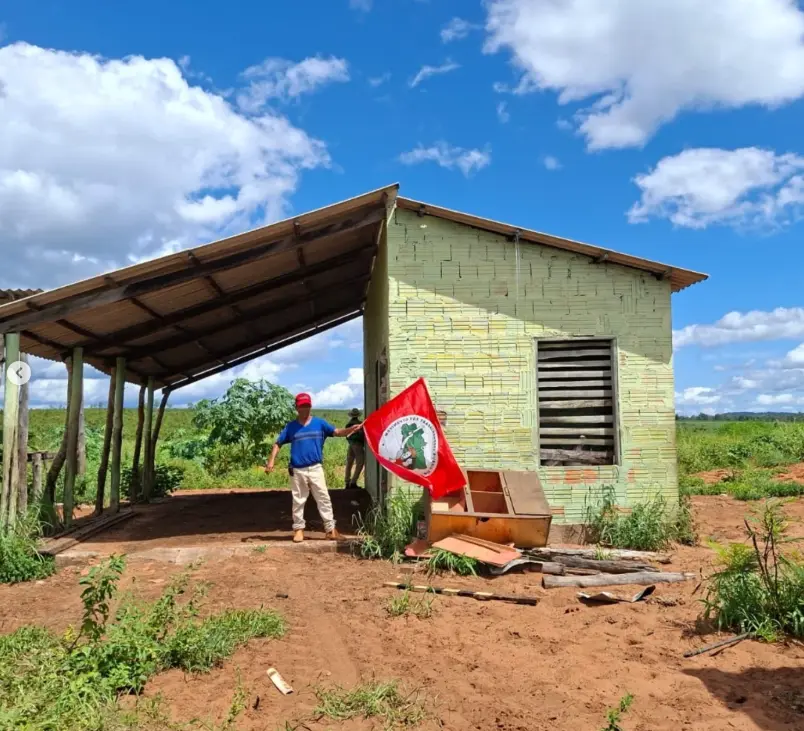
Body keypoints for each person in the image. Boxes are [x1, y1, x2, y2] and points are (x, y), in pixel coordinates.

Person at [265, 392, 362, 543]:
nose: (305, 409)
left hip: (316, 468)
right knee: (298, 500)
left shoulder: (319, 423)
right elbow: (278, 443)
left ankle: (330, 530)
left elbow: (336, 432)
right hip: (297, 470)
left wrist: (350, 430)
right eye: (302, 406)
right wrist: (271, 461)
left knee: (324, 498)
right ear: (296, 408)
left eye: (307, 405)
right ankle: (298, 530)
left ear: (310, 406)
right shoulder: (291, 427)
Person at [344, 407, 365, 489]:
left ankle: (347, 482)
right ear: (358, 415)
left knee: (349, 463)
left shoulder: (348, 425)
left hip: (351, 444)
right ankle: (353, 482)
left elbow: (346, 435)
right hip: (358, 445)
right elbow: (362, 435)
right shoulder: (360, 424)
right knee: (360, 462)